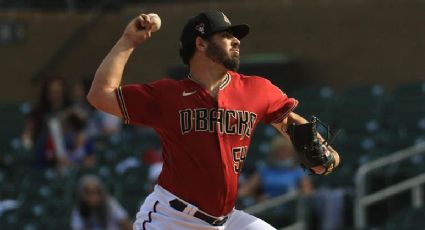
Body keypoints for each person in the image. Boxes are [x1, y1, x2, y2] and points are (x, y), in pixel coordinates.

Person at [87, 11, 341, 230]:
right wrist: (128, 41)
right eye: (226, 35)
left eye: (236, 36)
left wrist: (327, 156)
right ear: (200, 43)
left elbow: (294, 125)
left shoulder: (256, 89)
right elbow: (100, 95)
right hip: (170, 219)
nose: (236, 41)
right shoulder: (167, 95)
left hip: (227, 221)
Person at [238, 136, 313, 203]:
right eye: (279, 151)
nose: (283, 154)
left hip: (290, 208)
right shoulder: (265, 170)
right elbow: (244, 191)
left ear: (292, 153)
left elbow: (307, 192)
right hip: (268, 207)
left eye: (286, 151)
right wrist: (256, 197)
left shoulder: (298, 171)